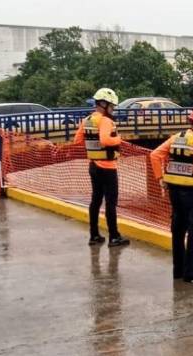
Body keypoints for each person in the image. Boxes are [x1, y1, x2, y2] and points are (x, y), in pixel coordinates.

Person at [149, 107, 193, 283]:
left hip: (174, 192)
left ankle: (178, 270)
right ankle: (192, 271)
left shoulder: (177, 137)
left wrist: (160, 178)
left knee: (178, 230)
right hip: (191, 194)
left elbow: (155, 155)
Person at [74, 88, 130, 247]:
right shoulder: (105, 121)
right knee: (111, 203)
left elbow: (77, 141)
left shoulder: (87, 120)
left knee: (96, 201)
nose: (113, 109)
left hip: (93, 166)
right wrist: (118, 139)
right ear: (104, 104)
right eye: (112, 106)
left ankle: (94, 235)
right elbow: (106, 140)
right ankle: (114, 237)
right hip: (108, 167)